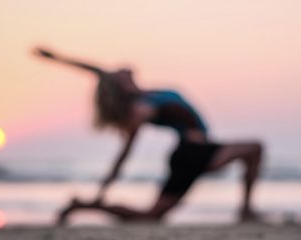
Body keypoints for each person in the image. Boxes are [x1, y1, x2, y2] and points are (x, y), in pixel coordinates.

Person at [34, 47, 263, 224]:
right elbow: (125, 152)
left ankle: (245, 210)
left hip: (205, 149)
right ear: (120, 88)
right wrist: (104, 190)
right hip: (190, 156)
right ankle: (86, 206)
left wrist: (56, 58)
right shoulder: (141, 109)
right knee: (150, 217)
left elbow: (95, 70)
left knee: (254, 149)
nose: (121, 68)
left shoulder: (145, 94)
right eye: (118, 74)